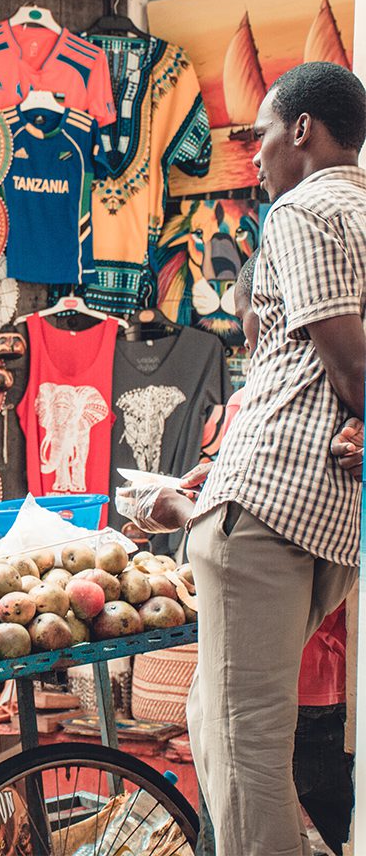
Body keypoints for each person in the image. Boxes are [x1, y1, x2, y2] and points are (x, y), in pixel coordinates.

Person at [184, 63, 366, 856]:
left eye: (260, 135)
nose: (253, 157)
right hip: (323, 517)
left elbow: (351, 366)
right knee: (211, 716)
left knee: (245, 742)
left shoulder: (303, 208)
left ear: (302, 131)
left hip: (268, 513)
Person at [124, 252, 356, 856]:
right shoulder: (287, 407)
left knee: (253, 788)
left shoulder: (283, 409)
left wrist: (180, 511)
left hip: (304, 672)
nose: (250, 337)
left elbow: (264, 516)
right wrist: (200, 492)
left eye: (252, 320)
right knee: (252, 794)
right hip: (300, 671)